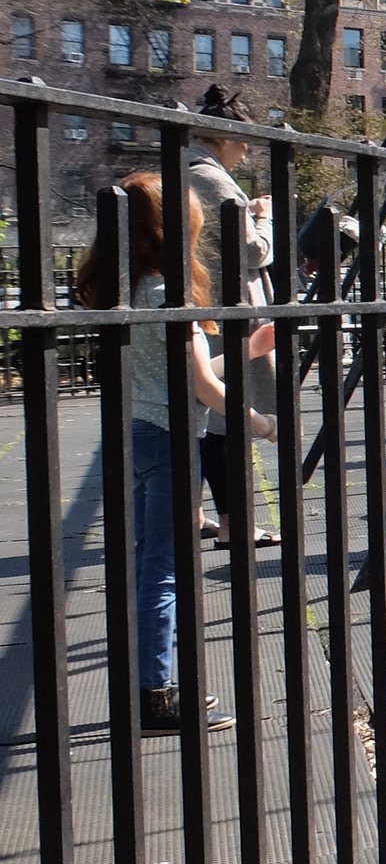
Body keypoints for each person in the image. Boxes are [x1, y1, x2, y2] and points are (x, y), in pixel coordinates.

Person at [76, 171, 275, 735]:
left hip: (139, 432)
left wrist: (242, 347)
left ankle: (152, 683)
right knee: (164, 569)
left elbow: (179, 374)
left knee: (150, 560)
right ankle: (156, 695)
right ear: (171, 227)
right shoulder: (168, 292)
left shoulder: (127, 290)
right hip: (168, 438)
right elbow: (202, 391)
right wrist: (261, 424)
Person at [186, 85, 276, 546]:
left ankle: (198, 513)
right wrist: (263, 216)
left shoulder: (179, 170)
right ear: (223, 137)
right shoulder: (217, 181)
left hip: (200, 304)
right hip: (224, 310)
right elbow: (252, 252)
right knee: (224, 418)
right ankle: (233, 524)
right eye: (243, 144)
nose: (244, 154)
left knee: (199, 418)